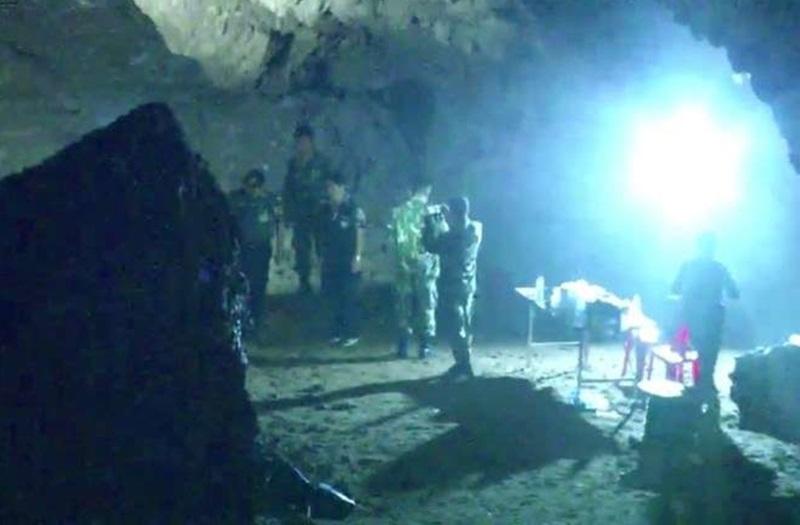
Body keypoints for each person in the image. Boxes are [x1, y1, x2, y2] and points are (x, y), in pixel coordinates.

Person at [671, 232, 739, 393]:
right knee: (710, 351)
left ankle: (689, 382)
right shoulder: (719, 268)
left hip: (690, 315)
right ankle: (706, 382)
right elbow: (734, 293)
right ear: (714, 248)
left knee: (689, 349)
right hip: (712, 317)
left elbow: (674, 289)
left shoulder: (687, 266)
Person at [423, 196, 482, 379]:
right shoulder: (475, 228)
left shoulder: (452, 238)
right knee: (465, 325)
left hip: (453, 286)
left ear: (453, 213)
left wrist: (431, 221)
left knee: (456, 328)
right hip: (469, 285)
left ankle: (464, 365)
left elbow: (430, 245)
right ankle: (464, 363)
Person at [389, 181, 439, 359]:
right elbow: (441, 236)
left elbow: (392, 240)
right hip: (425, 264)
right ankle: (425, 347)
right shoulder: (431, 211)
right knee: (426, 305)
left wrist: (400, 260)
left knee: (404, 305)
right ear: (427, 190)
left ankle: (403, 347)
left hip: (402, 264)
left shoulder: (397, 212)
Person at [282, 124, 332, 294]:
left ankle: (327, 281)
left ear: (311, 142)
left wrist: (329, 206)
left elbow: (330, 185)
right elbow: (288, 190)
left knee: (323, 248)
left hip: (320, 212)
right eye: (299, 141)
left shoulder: (322, 162)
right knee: (301, 249)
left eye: (305, 141)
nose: (302, 145)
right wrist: (288, 213)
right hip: (300, 214)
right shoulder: (293, 164)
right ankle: (304, 282)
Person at [229, 168, 280, 334]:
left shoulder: (269, 201)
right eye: (249, 186)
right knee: (243, 285)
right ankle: (244, 322)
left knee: (259, 284)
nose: (252, 190)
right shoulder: (238, 200)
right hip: (243, 249)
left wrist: (280, 249)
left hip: (262, 249)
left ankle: (258, 321)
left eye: (255, 186)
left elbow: (278, 225)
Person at [319, 173, 366, 348]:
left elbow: (360, 233)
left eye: (332, 187)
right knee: (333, 297)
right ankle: (337, 332)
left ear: (342, 187)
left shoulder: (353, 209)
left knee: (350, 297)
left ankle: (352, 332)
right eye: (327, 187)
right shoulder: (325, 209)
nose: (329, 191)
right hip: (331, 260)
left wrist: (357, 256)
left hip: (348, 259)